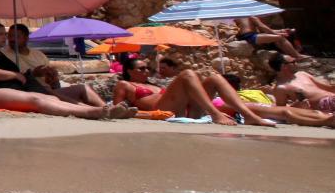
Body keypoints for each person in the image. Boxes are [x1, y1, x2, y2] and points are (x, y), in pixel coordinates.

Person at [0, 22, 119, 119]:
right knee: (36, 100)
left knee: (52, 98)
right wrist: (16, 75)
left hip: (13, 89)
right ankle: (91, 112)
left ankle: (97, 109)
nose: (6, 38)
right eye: (2, 34)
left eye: (7, 35)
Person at [111, 55, 271, 126]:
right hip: (163, 111)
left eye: (147, 68)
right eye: (141, 69)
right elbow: (118, 110)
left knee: (214, 78)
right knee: (187, 74)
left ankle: (248, 115)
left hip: (187, 110)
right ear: (130, 71)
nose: (146, 71)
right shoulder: (124, 84)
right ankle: (215, 114)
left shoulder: (155, 84)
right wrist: (149, 115)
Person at [8, 24, 103, 108]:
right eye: (10, 36)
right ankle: (91, 110)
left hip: (49, 91)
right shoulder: (4, 55)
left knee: (84, 88)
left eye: (16, 36)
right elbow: (9, 79)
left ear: (26, 38)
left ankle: (106, 108)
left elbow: (52, 81)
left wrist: (52, 77)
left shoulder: (38, 55)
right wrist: (33, 74)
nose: (12, 39)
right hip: (29, 93)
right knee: (49, 91)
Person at [269, 53, 335, 113]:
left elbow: (328, 87)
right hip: (326, 104)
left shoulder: (302, 74)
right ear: (284, 66)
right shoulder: (281, 88)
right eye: (293, 62)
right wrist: (295, 107)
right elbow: (280, 110)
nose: (296, 64)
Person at [236, 15, 306, 62]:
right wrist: (277, 34)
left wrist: (281, 31)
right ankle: (297, 56)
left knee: (277, 38)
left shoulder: (241, 17)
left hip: (248, 35)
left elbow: (262, 31)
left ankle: (292, 55)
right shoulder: (252, 17)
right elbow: (262, 27)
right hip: (250, 36)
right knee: (280, 38)